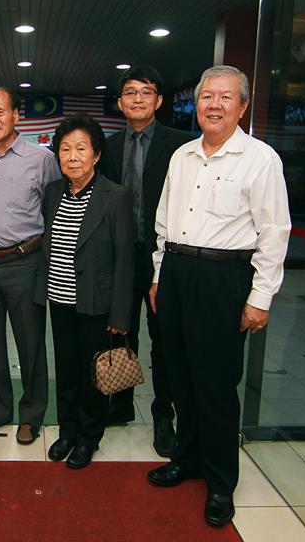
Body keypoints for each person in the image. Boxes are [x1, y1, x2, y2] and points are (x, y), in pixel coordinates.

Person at [147, 65, 290, 528]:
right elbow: (164, 221)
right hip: (176, 271)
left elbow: (275, 232)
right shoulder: (183, 156)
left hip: (223, 278)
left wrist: (260, 297)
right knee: (180, 376)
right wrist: (159, 275)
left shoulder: (260, 159)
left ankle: (221, 481)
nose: (214, 105)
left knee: (216, 385)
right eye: (207, 96)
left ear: (242, 106)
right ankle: (186, 459)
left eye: (225, 97)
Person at [99, 65, 192, 457]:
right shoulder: (108, 147)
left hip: (162, 258)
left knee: (164, 340)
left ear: (159, 100)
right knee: (119, 333)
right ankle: (120, 404)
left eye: (146, 91)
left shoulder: (181, 146)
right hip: (119, 259)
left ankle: (163, 414)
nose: (138, 98)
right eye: (130, 92)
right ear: (120, 102)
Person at [34, 115, 134, 469]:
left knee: (92, 373)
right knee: (66, 368)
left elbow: (125, 259)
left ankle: (89, 436)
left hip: (96, 301)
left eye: (81, 148)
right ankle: (67, 431)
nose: (72, 156)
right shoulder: (53, 193)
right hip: (59, 299)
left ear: (96, 155)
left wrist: (120, 314)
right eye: (65, 149)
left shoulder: (115, 196)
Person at [0, 86, 60, 444]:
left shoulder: (41, 159)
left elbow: (54, 209)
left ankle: (32, 415)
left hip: (25, 261)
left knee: (30, 340)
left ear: (16, 116)